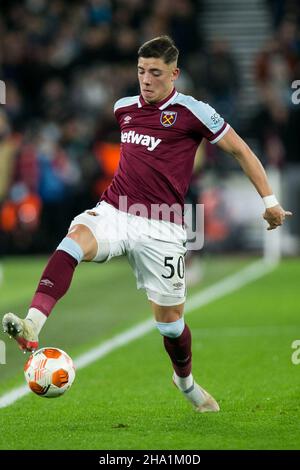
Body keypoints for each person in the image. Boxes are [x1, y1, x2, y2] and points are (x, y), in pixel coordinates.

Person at [2, 36, 292, 413]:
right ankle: (33, 324)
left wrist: (269, 201)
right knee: (73, 242)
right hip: (116, 210)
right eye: (141, 71)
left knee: (171, 326)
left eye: (155, 73)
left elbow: (240, 149)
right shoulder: (123, 108)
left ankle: (185, 382)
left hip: (165, 227)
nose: (146, 80)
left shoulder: (193, 111)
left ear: (175, 73)